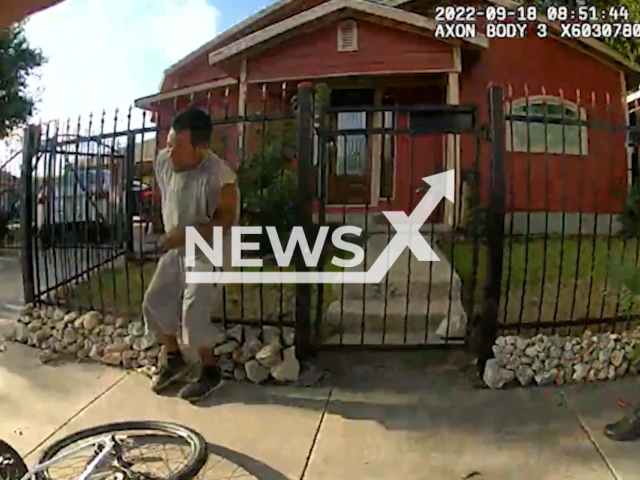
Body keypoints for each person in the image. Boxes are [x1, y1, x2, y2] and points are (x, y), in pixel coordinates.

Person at [143, 107, 238, 402]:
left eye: (178, 147)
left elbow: (223, 223)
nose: (170, 153)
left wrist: (184, 234)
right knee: (154, 302)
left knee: (193, 312)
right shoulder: (164, 161)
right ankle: (174, 358)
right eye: (169, 144)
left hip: (210, 247)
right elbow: (170, 193)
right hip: (177, 246)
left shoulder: (222, 178)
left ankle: (210, 370)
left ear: (201, 147)